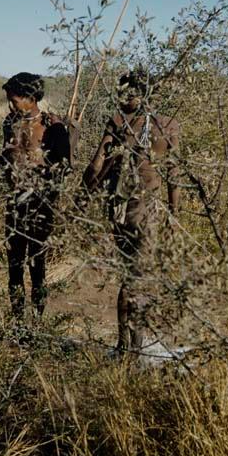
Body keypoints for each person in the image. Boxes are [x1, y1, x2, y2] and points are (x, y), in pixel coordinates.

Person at [0, 72, 70, 328]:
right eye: (9, 100)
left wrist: (43, 178)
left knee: (37, 264)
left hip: (41, 205)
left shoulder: (54, 128)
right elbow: (3, 162)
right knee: (14, 265)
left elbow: (65, 168)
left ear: (31, 98)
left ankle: (38, 324)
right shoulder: (10, 123)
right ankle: (18, 323)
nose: (10, 105)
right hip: (14, 203)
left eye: (14, 99)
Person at [81, 68, 180, 356]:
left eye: (128, 93)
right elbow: (97, 164)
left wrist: (82, 199)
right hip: (128, 210)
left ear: (141, 94)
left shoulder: (160, 126)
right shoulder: (138, 123)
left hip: (132, 209)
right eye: (121, 92)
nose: (122, 98)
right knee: (134, 277)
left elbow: (173, 174)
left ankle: (127, 346)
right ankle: (129, 347)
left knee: (132, 277)